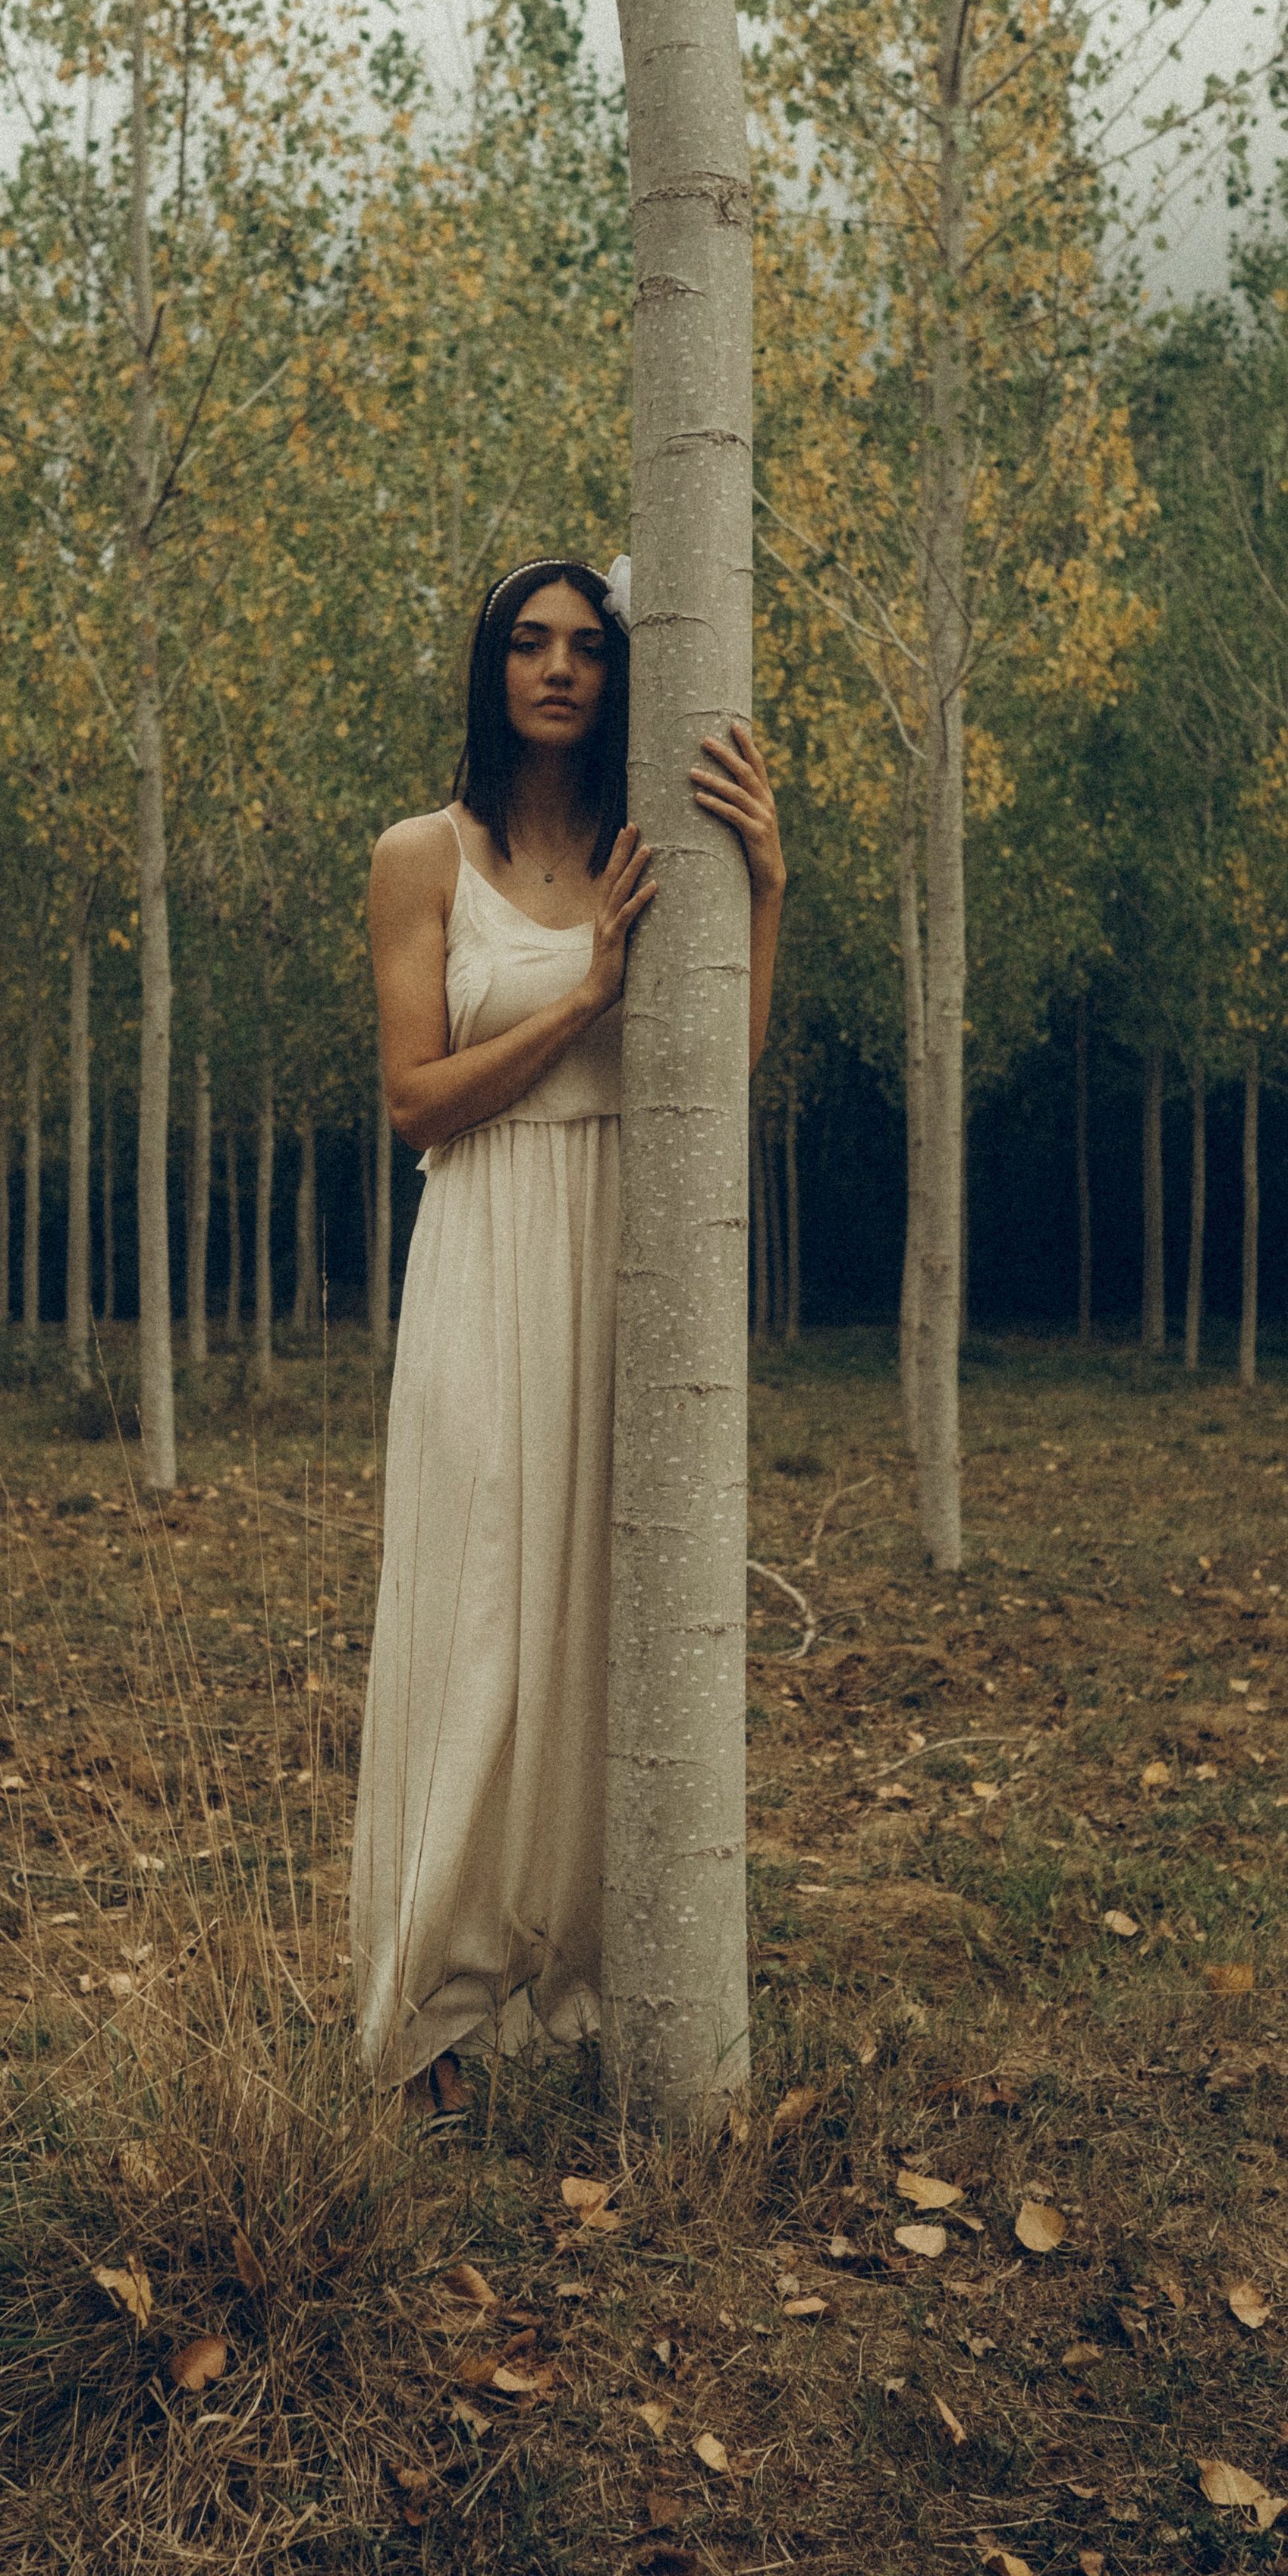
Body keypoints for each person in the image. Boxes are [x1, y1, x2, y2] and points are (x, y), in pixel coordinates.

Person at [350, 555, 784, 2115]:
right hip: (480, 1241)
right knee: (480, 1604)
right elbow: (415, 1100)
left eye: (585, 647)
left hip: (628, 1249)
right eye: (526, 644)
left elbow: (711, 1090)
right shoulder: (421, 856)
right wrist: (586, 998)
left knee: (608, 1606)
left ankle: (592, 1982)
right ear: (488, 669)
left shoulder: (642, 849)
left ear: (618, 673)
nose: (555, 668)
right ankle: (431, 2010)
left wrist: (766, 886)